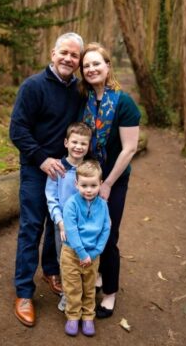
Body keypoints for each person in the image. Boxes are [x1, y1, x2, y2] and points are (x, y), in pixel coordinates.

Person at [9, 31, 85, 328]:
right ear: (53, 54)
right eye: (63, 52)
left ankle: (52, 270)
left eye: (74, 55)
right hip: (35, 169)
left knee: (60, 225)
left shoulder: (79, 91)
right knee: (31, 228)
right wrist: (41, 159)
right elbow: (17, 130)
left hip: (66, 172)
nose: (68, 58)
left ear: (78, 61)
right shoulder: (33, 86)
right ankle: (24, 292)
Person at [78, 42, 140, 320]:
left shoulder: (123, 102)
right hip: (87, 177)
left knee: (108, 234)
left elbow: (129, 148)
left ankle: (110, 293)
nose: (91, 69)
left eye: (96, 63)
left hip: (113, 179)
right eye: (86, 65)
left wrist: (108, 184)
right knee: (86, 229)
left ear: (107, 66)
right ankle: (98, 274)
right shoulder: (84, 99)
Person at [45, 122, 94, 315]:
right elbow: (52, 199)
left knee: (85, 259)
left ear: (88, 146)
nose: (78, 147)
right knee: (64, 261)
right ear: (66, 142)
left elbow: (95, 196)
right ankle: (68, 294)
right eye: (74, 142)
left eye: (83, 143)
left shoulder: (90, 170)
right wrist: (60, 221)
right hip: (63, 227)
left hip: (85, 227)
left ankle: (84, 295)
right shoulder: (58, 169)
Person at [60, 159, 111, 337]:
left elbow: (106, 228)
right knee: (73, 286)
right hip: (72, 253)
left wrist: (95, 252)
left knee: (89, 287)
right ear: (76, 184)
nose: (88, 190)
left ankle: (88, 316)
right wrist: (82, 253)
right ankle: (73, 316)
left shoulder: (103, 205)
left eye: (93, 185)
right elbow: (71, 230)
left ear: (100, 184)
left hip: (92, 255)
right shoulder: (71, 204)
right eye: (84, 185)